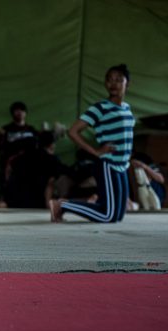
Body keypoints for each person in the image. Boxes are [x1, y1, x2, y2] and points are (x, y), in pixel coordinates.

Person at [50, 64, 134, 223]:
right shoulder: (100, 108)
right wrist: (96, 152)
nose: (113, 83)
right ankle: (62, 205)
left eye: (118, 80)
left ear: (127, 84)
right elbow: (73, 131)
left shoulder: (127, 108)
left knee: (118, 216)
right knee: (108, 216)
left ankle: (66, 206)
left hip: (123, 165)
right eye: (109, 80)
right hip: (108, 164)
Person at [4, 131, 66, 209]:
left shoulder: (22, 156)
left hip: (13, 201)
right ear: (52, 145)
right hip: (36, 202)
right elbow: (50, 183)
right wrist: (47, 203)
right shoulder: (53, 160)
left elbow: (8, 170)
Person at [0, 101, 37, 207]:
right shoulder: (5, 130)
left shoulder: (31, 130)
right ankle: (4, 199)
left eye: (22, 110)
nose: (19, 113)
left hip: (28, 163)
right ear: (12, 113)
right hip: (10, 162)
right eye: (16, 111)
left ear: (25, 113)